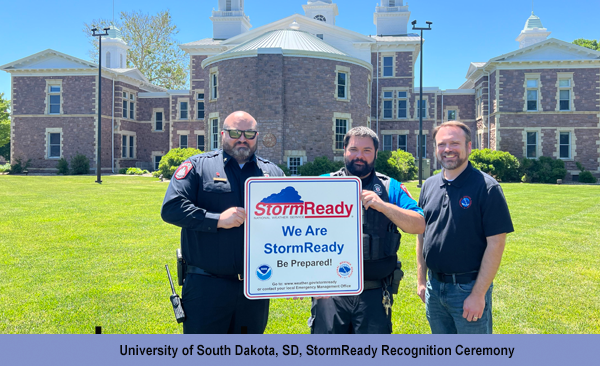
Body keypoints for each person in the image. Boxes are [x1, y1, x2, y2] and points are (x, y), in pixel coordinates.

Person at [161, 111, 284, 334]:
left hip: (255, 287)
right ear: (223, 134)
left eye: (249, 133)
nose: (242, 139)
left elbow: (291, 223)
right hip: (206, 286)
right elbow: (172, 208)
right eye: (235, 133)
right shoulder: (198, 167)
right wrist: (217, 220)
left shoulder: (273, 173)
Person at [309, 126, 425, 334]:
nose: (359, 156)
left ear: (375, 153)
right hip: (330, 292)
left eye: (366, 150)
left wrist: (383, 205)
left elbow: (418, 224)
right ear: (344, 149)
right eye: (353, 149)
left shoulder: (391, 187)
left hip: (374, 292)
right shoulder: (323, 183)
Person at [416, 121, 514, 334]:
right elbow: (422, 236)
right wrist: (422, 279)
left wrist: (478, 294)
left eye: (454, 143)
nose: (447, 149)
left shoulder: (487, 188)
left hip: (468, 288)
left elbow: (496, 243)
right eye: (442, 144)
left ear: (469, 147)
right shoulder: (429, 185)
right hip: (434, 288)